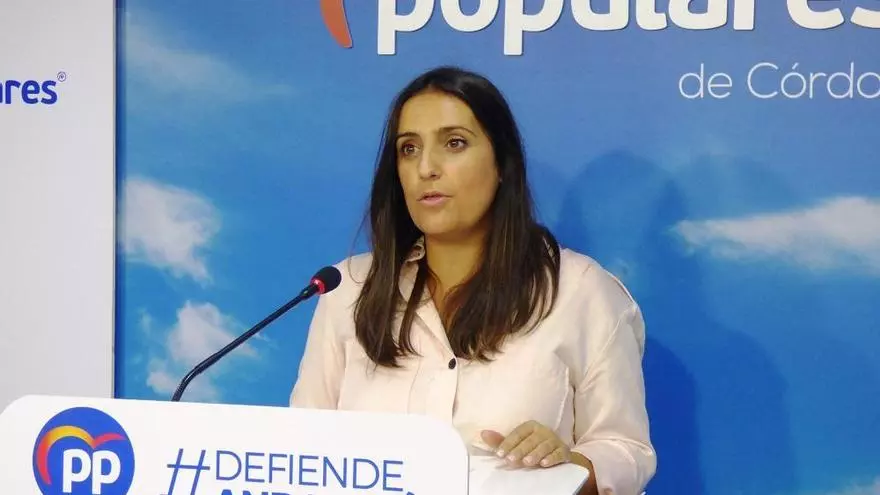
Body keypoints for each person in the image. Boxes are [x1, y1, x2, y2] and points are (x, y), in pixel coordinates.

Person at [289, 66, 656, 495]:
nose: (426, 167)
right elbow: (301, 451)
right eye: (409, 149)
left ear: (502, 163)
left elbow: (626, 450)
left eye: (454, 143)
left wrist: (569, 466)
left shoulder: (581, 291)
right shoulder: (347, 289)